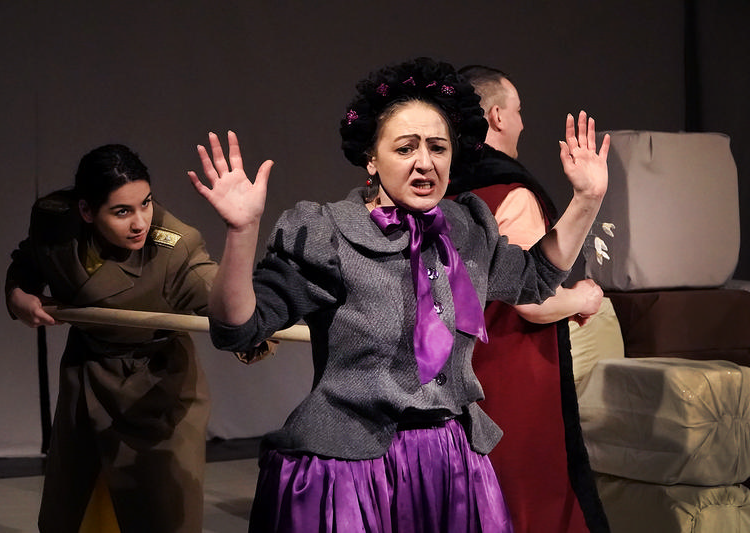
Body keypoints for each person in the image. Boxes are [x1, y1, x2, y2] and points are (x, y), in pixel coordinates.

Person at [188, 57, 609, 533]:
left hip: (450, 466)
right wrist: (241, 231)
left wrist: (586, 200)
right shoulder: (329, 233)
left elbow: (535, 279)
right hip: (350, 470)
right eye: (405, 147)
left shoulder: (466, 228)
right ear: (372, 158)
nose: (425, 162)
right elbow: (239, 327)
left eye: (438, 147)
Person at [6, 144, 271, 532]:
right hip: (85, 379)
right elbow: (28, 260)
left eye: (145, 203)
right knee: (69, 514)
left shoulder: (173, 248)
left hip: (154, 392)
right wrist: (18, 296)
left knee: (161, 519)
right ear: (86, 210)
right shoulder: (54, 219)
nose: (140, 222)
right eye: (122, 211)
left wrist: (242, 233)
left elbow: (228, 307)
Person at [446, 65, 609, 533]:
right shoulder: (508, 192)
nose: (522, 123)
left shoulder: (444, 190)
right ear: (496, 116)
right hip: (512, 370)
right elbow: (531, 298)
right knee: (528, 502)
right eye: (518, 111)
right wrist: (582, 297)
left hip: (460, 372)